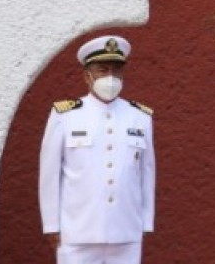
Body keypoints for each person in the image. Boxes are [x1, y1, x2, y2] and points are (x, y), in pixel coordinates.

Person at [39, 35, 156, 264]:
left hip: (126, 228)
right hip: (78, 230)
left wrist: (145, 221)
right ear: (87, 76)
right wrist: (51, 225)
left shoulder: (139, 117)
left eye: (116, 71)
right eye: (103, 70)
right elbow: (50, 174)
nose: (111, 78)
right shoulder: (66, 115)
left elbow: (147, 172)